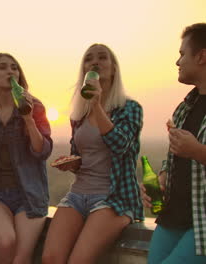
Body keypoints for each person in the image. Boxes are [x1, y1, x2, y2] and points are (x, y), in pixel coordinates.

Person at [42, 44, 144, 264]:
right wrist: (72, 163)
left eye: (102, 57)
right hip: (78, 195)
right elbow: (80, 155)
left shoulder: (130, 108)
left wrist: (97, 105)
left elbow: (121, 145)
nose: (95, 62)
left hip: (113, 197)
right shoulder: (79, 114)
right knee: (50, 258)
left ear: (114, 68)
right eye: (89, 59)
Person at [0, 53, 52, 264]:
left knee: (21, 258)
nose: (10, 71)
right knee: (6, 241)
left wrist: (28, 119)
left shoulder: (35, 106)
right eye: (3, 67)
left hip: (30, 195)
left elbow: (42, 151)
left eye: (14, 68)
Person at [141, 23, 206, 263]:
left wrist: (198, 151)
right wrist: (161, 180)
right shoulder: (184, 107)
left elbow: (194, 153)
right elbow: (175, 158)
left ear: (202, 56)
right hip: (173, 217)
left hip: (202, 225)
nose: (177, 62)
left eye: (182, 54)